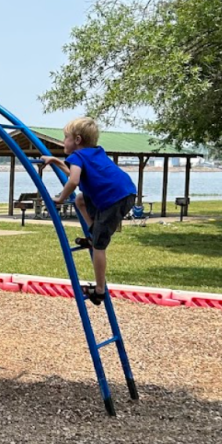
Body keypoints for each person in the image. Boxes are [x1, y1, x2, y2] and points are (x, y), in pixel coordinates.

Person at [42, 116, 136, 305]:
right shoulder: (94, 153)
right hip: (124, 192)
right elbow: (74, 174)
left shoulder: (76, 157)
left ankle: (99, 290)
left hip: (114, 198)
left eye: (66, 138)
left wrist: (60, 199)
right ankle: (93, 233)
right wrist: (56, 161)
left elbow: (74, 181)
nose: (63, 142)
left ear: (77, 140)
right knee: (80, 200)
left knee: (99, 247)